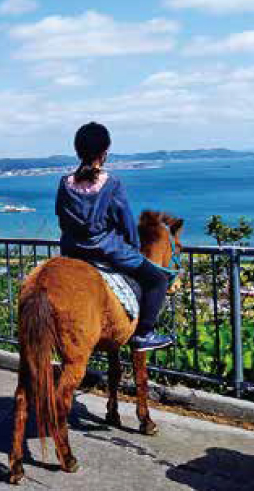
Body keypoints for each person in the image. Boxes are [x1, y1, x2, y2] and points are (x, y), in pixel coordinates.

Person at [55, 122, 174, 352]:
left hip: (72, 252)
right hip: (108, 253)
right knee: (157, 280)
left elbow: (62, 219)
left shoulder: (65, 183)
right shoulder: (111, 184)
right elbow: (127, 223)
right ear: (104, 152)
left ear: (78, 151)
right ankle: (144, 334)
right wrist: (134, 248)